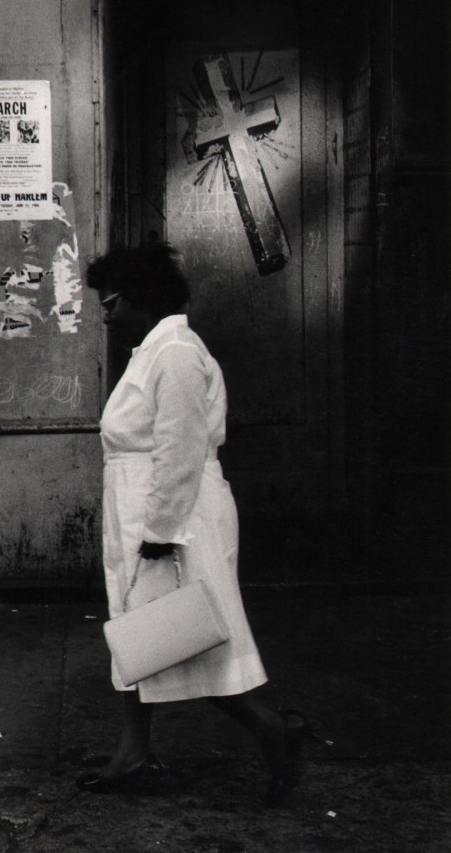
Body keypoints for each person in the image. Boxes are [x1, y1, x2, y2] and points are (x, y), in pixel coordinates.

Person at [79, 243, 307, 804]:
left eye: (110, 303)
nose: (105, 315)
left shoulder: (176, 352)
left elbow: (179, 449)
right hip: (146, 505)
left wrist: (158, 532)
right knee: (138, 635)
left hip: (173, 513)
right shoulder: (153, 349)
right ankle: (133, 754)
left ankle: (275, 729)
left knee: (181, 636)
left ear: (140, 299)